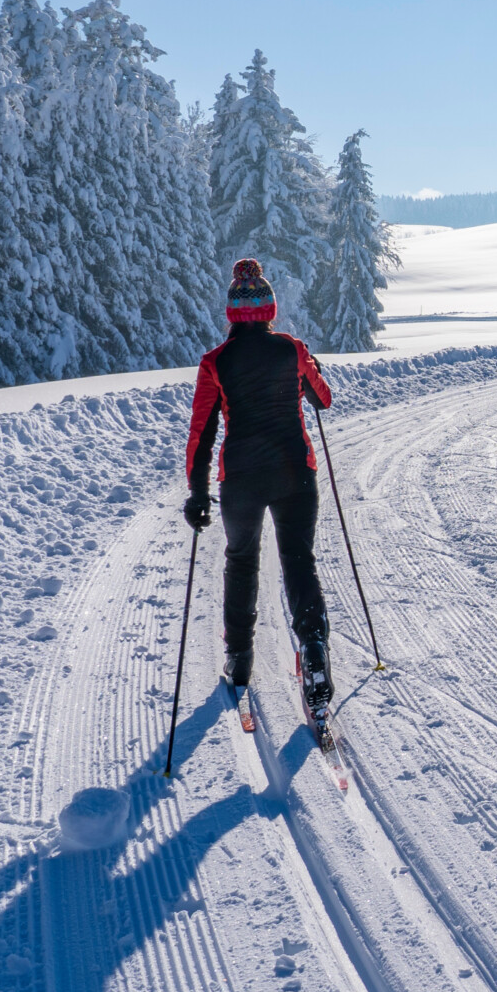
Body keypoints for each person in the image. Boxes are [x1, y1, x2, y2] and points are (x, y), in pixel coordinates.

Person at [183, 258, 336, 723]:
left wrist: (196, 492)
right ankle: (312, 650)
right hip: (296, 473)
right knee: (298, 560)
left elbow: (201, 433)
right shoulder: (291, 349)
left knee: (242, 561)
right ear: (270, 308)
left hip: (242, 480)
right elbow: (323, 397)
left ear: (232, 312)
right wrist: (311, 366)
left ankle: (240, 660)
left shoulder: (216, 363)